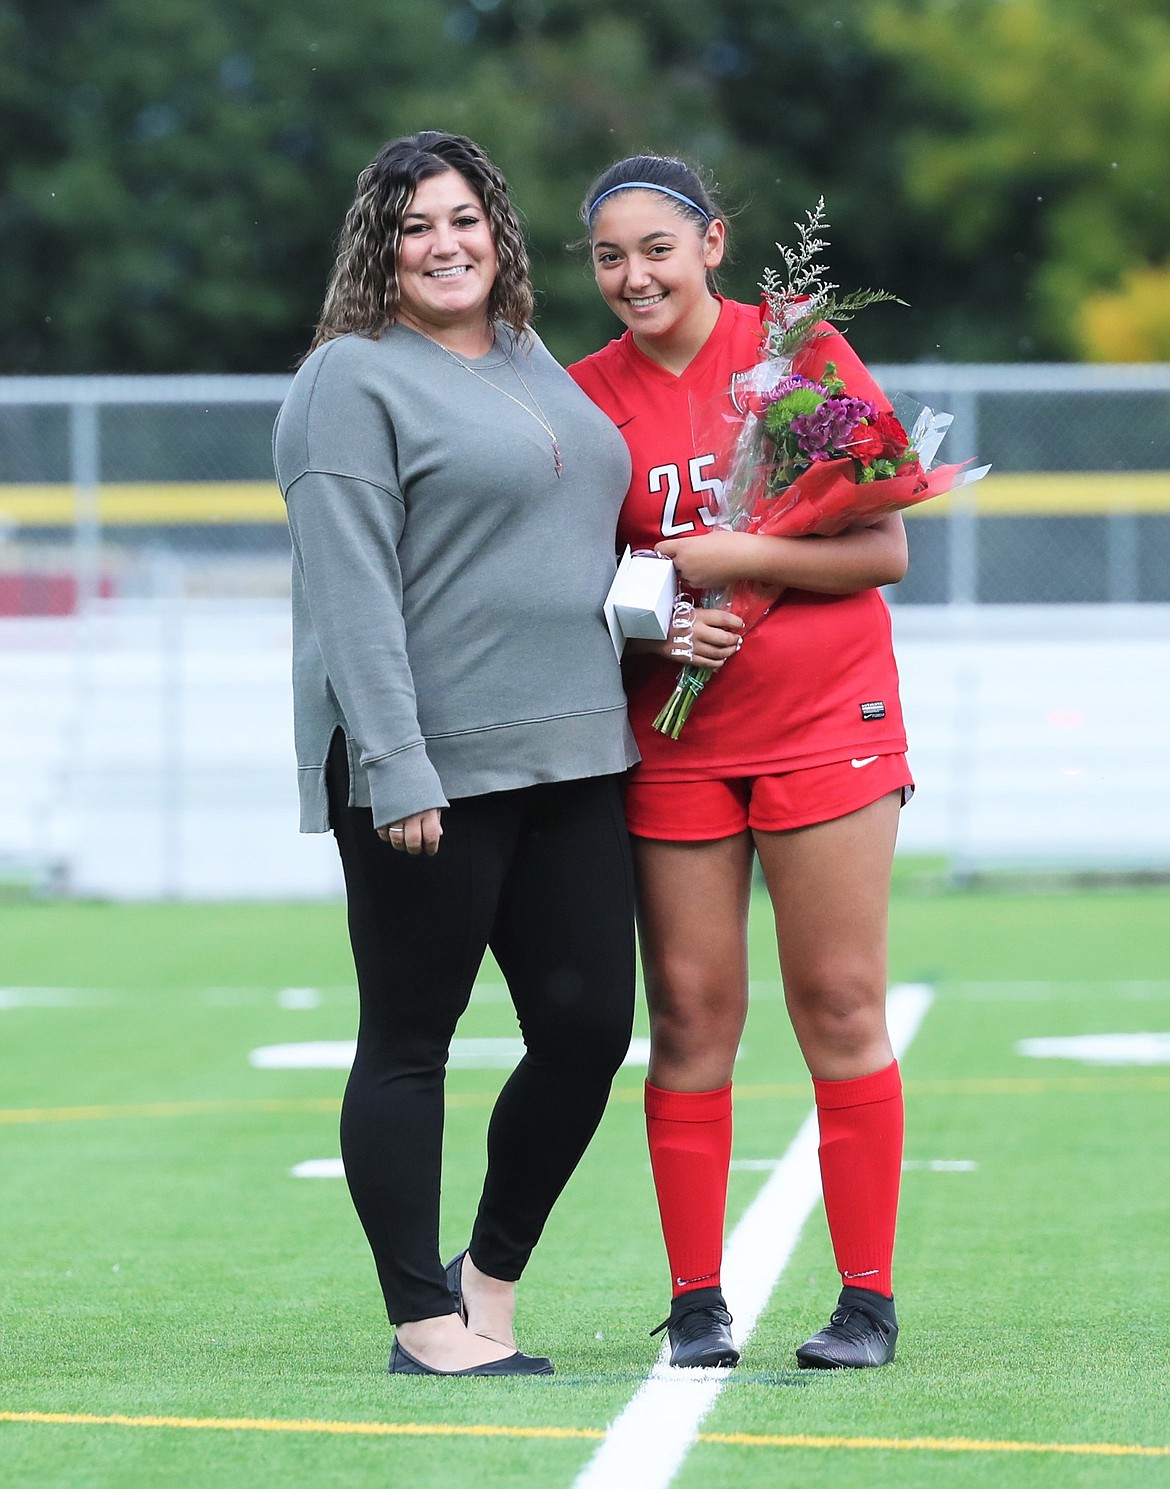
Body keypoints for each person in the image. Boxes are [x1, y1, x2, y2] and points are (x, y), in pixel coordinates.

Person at [273, 131, 639, 1378]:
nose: (447, 244)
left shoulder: (541, 362)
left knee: (589, 1028)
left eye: (466, 219)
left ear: (500, 233)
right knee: (412, 1037)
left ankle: (491, 1274)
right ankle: (423, 1319)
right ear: (381, 245)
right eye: (418, 225)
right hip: (428, 765)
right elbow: (350, 591)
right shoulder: (349, 380)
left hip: (580, 750)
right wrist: (394, 761)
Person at [569, 155, 913, 1371]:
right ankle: (698, 1299)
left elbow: (882, 548)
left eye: (656, 247)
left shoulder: (801, 354)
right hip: (678, 736)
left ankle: (865, 1299)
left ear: (712, 243)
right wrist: (660, 614)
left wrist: (732, 555)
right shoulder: (581, 397)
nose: (633, 275)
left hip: (827, 717)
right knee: (690, 1016)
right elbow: (581, 583)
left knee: (838, 1003)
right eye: (609, 256)